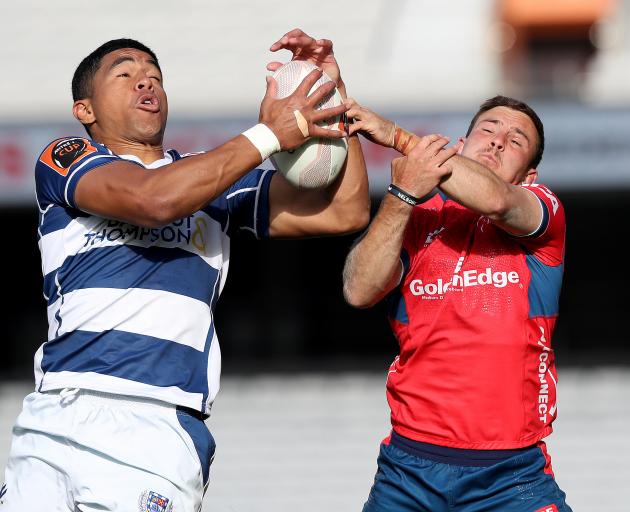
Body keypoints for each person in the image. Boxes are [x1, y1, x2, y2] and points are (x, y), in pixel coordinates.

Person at [0, 29, 369, 511]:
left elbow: (346, 210)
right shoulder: (67, 159)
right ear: (85, 110)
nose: (145, 84)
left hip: (154, 427)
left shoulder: (213, 183)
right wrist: (267, 136)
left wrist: (331, 96)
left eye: (154, 77)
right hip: (55, 412)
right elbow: (153, 200)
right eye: (126, 74)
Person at [343, 96, 572, 511]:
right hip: (408, 470)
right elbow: (358, 290)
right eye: (488, 129)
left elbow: (497, 199)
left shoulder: (542, 209)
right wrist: (401, 195)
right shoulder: (418, 216)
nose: (499, 141)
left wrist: (398, 137)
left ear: (530, 174)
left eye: (516, 139)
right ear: (460, 144)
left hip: (511, 475)